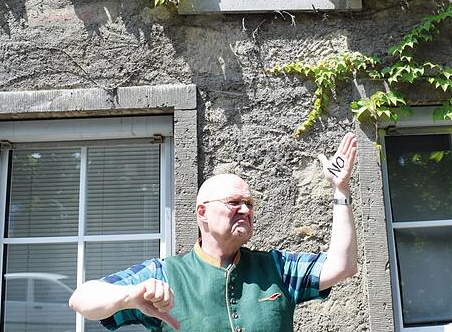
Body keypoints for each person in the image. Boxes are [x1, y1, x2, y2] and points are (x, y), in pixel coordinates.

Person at [69, 133, 358, 331]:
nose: (245, 210)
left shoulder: (277, 268)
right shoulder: (165, 275)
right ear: (202, 213)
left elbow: (342, 266)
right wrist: (131, 296)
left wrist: (340, 190)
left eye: (249, 203)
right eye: (234, 203)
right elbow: (81, 300)